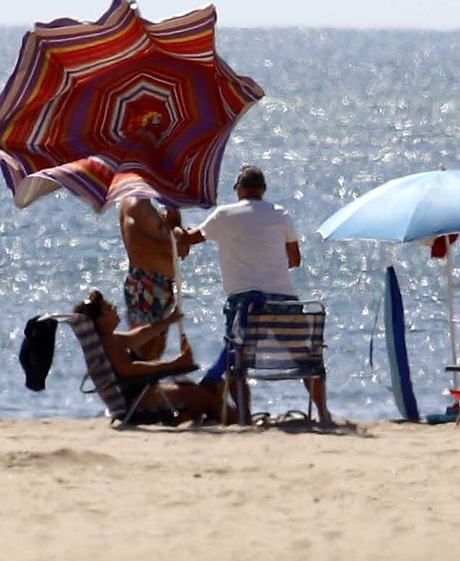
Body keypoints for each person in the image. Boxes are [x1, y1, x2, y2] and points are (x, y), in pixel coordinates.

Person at [179, 165, 332, 427]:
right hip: (282, 303)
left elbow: (191, 239)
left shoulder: (224, 214)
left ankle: (245, 416)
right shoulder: (280, 214)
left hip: (244, 308)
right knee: (305, 359)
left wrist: (177, 231)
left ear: (238, 190)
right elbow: (295, 260)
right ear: (263, 190)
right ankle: (323, 413)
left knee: (237, 362)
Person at [72, 289, 221, 424]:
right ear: (100, 320)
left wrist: (169, 320)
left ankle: (232, 419)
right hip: (140, 401)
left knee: (208, 390)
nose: (114, 308)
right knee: (207, 395)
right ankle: (238, 422)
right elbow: (129, 370)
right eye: (108, 308)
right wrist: (173, 364)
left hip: (142, 395)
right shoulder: (109, 343)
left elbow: (137, 337)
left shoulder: (109, 339)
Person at [119, 196, 188, 360]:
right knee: (146, 348)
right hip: (146, 284)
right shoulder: (134, 204)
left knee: (156, 346)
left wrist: (174, 223)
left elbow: (173, 240)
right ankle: (142, 383)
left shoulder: (150, 208)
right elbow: (135, 243)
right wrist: (172, 246)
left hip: (161, 285)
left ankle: (149, 383)